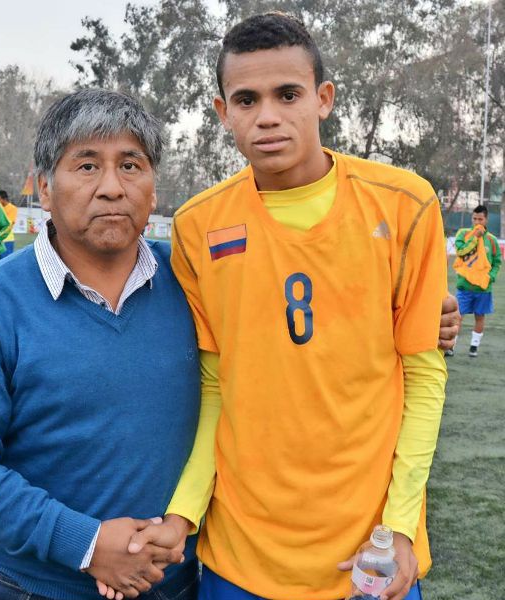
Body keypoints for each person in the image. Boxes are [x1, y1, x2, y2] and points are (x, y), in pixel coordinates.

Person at [124, 12, 454, 600]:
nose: (268, 115)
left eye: (288, 94)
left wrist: (401, 525)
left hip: (367, 554)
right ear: (223, 112)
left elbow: (424, 375)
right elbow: (215, 385)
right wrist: (185, 512)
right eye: (246, 99)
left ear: (323, 99)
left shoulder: (406, 204)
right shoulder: (200, 225)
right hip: (241, 555)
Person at [0, 90, 201, 600]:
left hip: (175, 582)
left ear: (154, 187)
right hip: (33, 588)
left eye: (131, 165)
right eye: (88, 166)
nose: (112, 188)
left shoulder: (195, 283)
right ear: (46, 189)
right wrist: (88, 544)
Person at [451, 204, 501, 357]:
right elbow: (461, 251)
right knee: (458, 316)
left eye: (480, 219)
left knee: (480, 317)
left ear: (486, 220)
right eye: (474, 218)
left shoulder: (492, 240)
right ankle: (451, 346)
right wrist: (475, 237)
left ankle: (474, 347)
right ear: (471, 219)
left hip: (483, 288)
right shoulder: (463, 234)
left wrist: (490, 277)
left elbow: (497, 262)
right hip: (464, 286)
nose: (477, 221)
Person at [0, 189, 18, 259]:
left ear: (4, 199)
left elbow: (9, 224)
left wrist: (0, 236)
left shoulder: (13, 208)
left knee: (5, 262)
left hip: (7, 239)